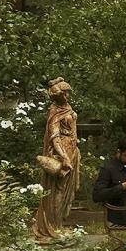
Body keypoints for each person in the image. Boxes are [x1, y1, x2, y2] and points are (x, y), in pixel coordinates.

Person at [33, 77, 81, 241]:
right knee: (57, 191)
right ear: (57, 95)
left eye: (68, 93)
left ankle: (59, 224)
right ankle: (52, 226)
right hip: (62, 153)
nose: (67, 96)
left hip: (72, 150)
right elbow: (54, 137)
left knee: (66, 190)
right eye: (64, 93)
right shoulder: (55, 111)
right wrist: (64, 156)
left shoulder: (67, 107)